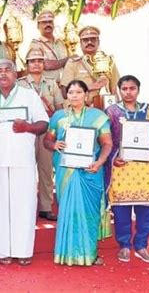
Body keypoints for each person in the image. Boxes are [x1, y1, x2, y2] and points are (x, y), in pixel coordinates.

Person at [0, 59, 49, 265]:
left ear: (15, 74)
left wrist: (28, 127)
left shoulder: (29, 96)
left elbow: (43, 124)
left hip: (22, 160)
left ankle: (23, 250)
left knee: (25, 205)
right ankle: (2, 251)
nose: (3, 74)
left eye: (7, 70)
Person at [43, 80, 112, 266]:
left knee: (90, 213)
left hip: (90, 171)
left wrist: (99, 162)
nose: (74, 95)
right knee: (68, 211)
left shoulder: (97, 116)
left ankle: (90, 254)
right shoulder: (58, 117)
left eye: (78, 92)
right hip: (66, 171)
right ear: (67, 95)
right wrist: (54, 144)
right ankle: (66, 254)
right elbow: (47, 141)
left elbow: (107, 144)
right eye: (71, 92)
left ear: (86, 95)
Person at [104, 75, 149, 263]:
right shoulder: (111, 111)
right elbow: (105, 139)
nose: (128, 92)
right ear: (119, 90)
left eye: (132, 88)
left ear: (138, 90)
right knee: (122, 209)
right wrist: (113, 159)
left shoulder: (148, 110)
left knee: (147, 207)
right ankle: (125, 246)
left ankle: (142, 245)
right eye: (125, 88)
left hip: (144, 167)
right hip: (122, 165)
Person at [17, 48, 64, 221]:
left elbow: (59, 108)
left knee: (45, 169)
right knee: (25, 169)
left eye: (39, 60)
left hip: (47, 130)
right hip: (27, 130)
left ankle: (45, 207)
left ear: (44, 64)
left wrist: (60, 130)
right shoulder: (20, 84)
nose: (36, 63)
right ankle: (24, 205)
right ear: (27, 64)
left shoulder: (52, 83)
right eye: (32, 61)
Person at [61, 26, 120, 108]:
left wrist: (116, 110)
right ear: (80, 43)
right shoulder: (73, 63)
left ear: (98, 42)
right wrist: (90, 87)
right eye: (85, 40)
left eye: (93, 39)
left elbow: (114, 91)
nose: (89, 42)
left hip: (105, 107)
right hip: (81, 109)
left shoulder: (108, 62)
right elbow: (64, 92)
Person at [29, 10, 70, 83]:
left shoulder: (61, 43)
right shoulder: (36, 44)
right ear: (38, 26)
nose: (48, 24)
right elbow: (46, 65)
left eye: (50, 22)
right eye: (44, 22)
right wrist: (66, 60)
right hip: (47, 86)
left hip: (64, 86)